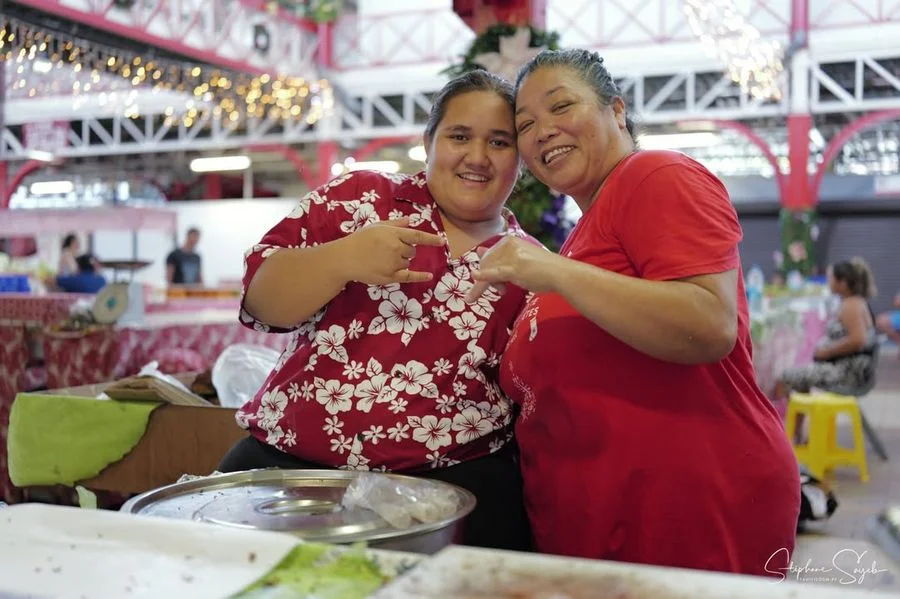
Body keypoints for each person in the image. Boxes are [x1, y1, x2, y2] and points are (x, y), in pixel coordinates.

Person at [466, 49, 800, 575]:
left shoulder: (653, 175)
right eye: (525, 124)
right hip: (603, 520)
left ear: (616, 109)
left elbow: (709, 324)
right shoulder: (584, 235)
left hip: (682, 511)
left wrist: (553, 272)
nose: (543, 131)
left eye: (561, 106)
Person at [218, 70, 535, 551]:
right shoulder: (360, 198)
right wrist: (340, 259)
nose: (477, 156)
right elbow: (263, 305)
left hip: (454, 487)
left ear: (521, 159)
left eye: (499, 142)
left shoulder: (529, 265)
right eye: (459, 136)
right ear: (428, 143)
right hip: (293, 470)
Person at [777, 259, 878, 398]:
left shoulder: (851, 306)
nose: (828, 282)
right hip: (846, 369)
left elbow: (858, 340)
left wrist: (827, 352)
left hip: (846, 375)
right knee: (800, 380)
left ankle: (777, 413)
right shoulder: (853, 302)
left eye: (831, 278)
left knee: (784, 378)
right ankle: (802, 412)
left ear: (842, 283)